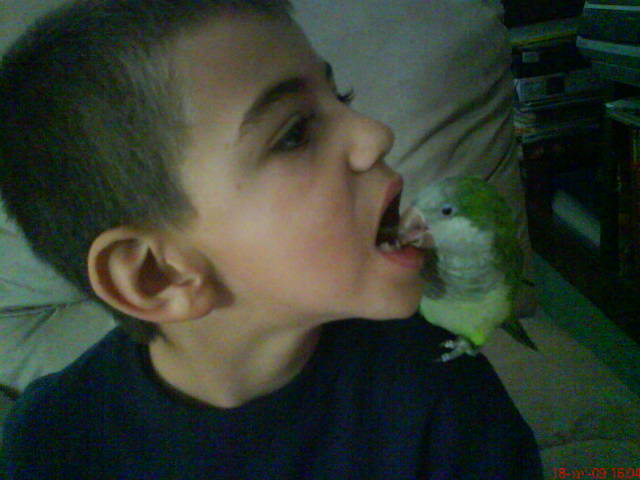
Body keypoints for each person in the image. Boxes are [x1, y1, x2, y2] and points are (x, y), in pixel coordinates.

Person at [0, 0, 543, 477]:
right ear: (158, 275)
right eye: (294, 133)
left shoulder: (438, 382)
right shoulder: (52, 444)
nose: (375, 133)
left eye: (341, 95)